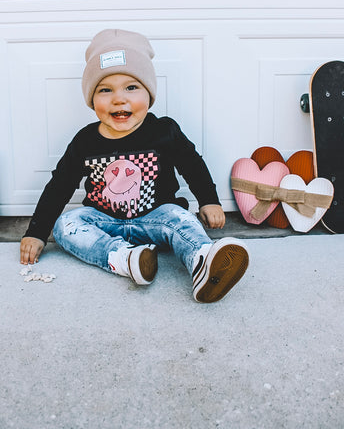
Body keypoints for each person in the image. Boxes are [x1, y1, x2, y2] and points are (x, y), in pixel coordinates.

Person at [20, 29, 249, 303]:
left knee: (181, 219)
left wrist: (209, 201)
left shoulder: (164, 130)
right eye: (105, 90)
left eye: (131, 87)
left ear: (149, 94)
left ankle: (201, 260)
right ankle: (125, 258)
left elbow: (192, 164)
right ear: (91, 99)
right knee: (66, 224)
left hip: (158, 218)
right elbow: (60, 186)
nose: (119, 98)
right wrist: (36, 232)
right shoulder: (85, 141)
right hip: (105, 222)